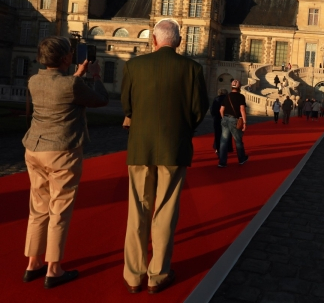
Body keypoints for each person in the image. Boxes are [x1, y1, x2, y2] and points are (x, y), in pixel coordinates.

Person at [121, 18, 209, 294]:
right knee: (166, 211)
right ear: (179, 42)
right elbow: (198, 110)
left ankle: (134, 275)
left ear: (154, 41)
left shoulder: (134, 66)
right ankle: (157, 274)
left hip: (139, 146)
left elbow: (127, 105)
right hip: (174, 146)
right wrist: (183, 129)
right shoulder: (193, 69)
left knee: (138, 211)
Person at [22, 36, 108, 289]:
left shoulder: (34, 80)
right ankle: (54, 268)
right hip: (61, 151)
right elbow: (99, 99)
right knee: (59, 209)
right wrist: (95, 75)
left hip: (34, 148)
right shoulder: (72, 84)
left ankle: (32, 263)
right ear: (65, 59)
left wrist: (78, 74)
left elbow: (62, 88)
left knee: (38, 208)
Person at [219, 79, 249, 167]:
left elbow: (221, 110)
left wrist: (224, 118)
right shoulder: (241, 97)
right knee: (238, 141)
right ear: (239, 87)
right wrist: (244, 122)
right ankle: (241, 159)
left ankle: (222, 162)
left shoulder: (226, 96)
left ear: (231, 87)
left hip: (225, 119)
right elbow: (242, 110)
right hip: (234, 120)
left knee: (223, 141)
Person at [211, 89, 233, 156]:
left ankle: (218, 149)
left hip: (217, 119)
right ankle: (227, 148)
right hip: (227, 119)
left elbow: (212, 110)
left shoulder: (216, 99)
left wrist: (214, 116)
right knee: (227, 135)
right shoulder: (229, 99)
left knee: (218, 134)